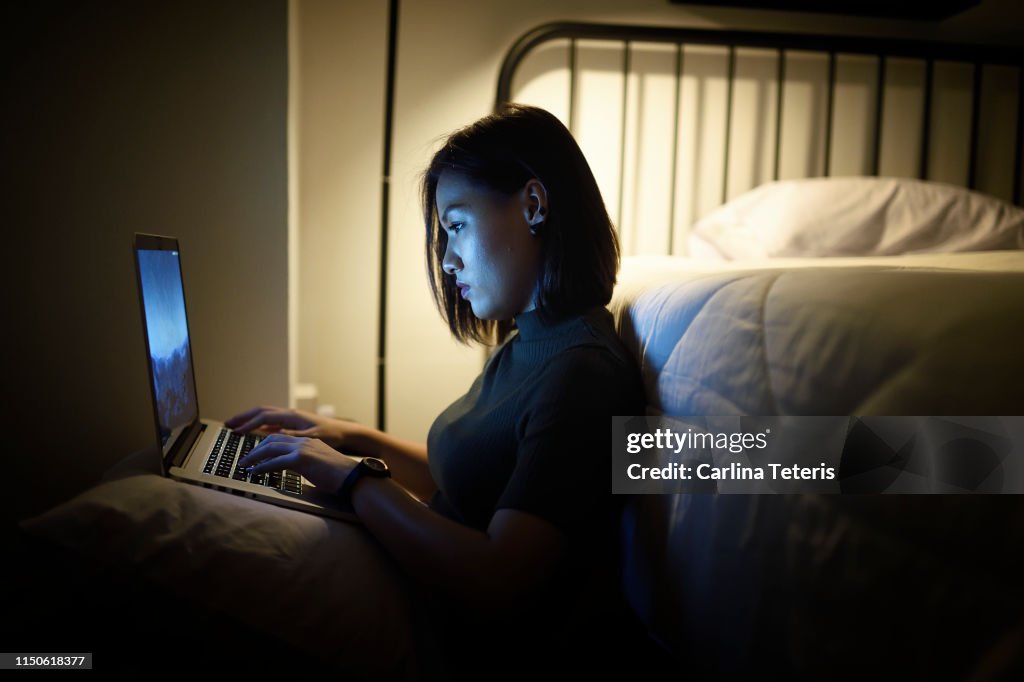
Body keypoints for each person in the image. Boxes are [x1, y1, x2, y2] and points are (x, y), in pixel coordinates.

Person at [227, 103, 648, 678]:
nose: (447, 261)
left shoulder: (583, 372)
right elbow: (479, 480)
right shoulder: (531, 343)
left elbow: (502, 582)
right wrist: (345, 438)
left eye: (456, 226)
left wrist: (355, 481)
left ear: (533, 204)